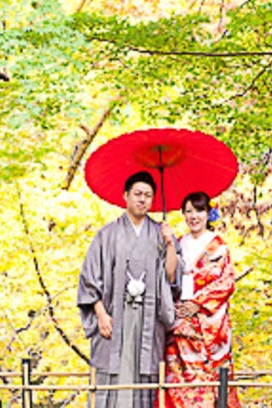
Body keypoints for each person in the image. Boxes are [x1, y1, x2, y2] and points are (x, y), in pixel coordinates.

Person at [78, 171, 180, 407]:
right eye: (137, 194)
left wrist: (169, 244)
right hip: (114, 316)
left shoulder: (161, 233)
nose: (142, 199)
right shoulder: (107, 234)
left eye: (148, 195)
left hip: (148, 318)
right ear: (125, 196)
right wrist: (101, 315)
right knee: (110, 372)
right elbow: (89, 278)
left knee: (145, 376)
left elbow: (172, 276)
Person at [163, 192, 241, 408]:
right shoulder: (178, 243)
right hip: (179, 317)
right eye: (188, 211)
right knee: (176, 372)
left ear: (208, 214)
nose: (193, 216)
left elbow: (226, 282)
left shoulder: (219, 246)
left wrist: (197, 303)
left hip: (208, 320)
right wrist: (168, 243)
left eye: (199, 210)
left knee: (211, 376)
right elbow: (167, 277)